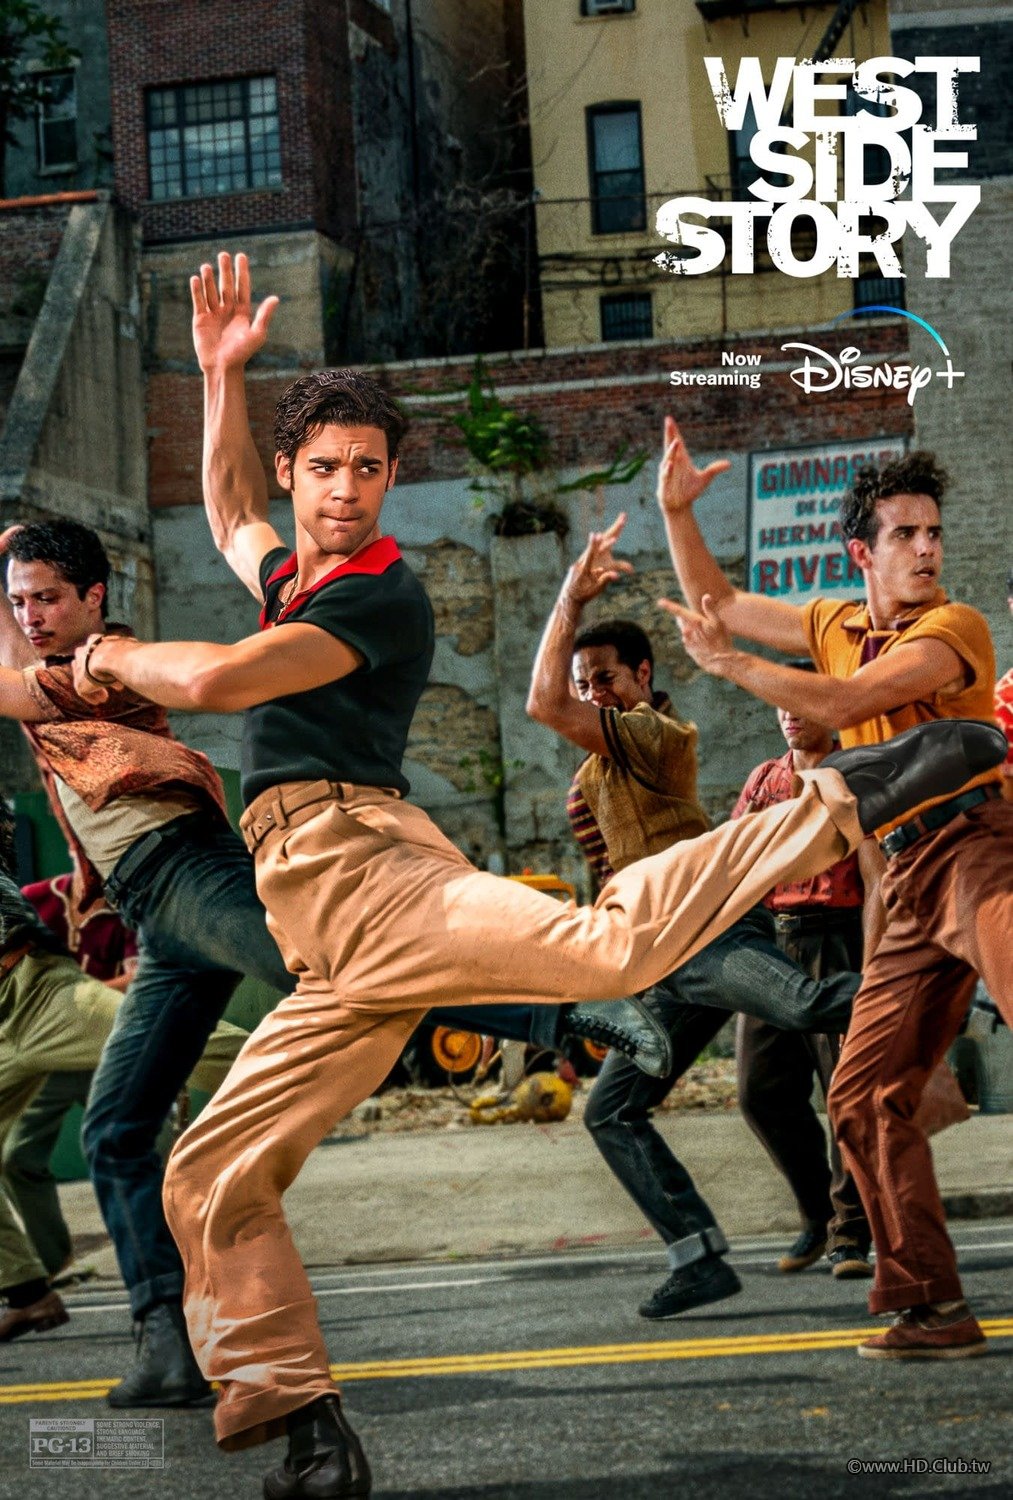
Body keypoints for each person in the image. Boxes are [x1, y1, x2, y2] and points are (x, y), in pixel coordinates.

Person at [72, 252, 1001, 1497]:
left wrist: (94, 661)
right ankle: (304, 1431)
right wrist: (220, 379)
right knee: (210, 1169)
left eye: (368, 469)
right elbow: (230, 505)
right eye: (325, 467)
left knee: (608, 947)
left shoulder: (376, 595)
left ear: (387, 481)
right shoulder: (294, 571)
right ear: (298, 472)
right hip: (321, 937)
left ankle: (846, 794)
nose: (345, 490)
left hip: (367, 874)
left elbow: (215, 682)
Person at [0, 522, 663, 1405]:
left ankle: (570, 1012)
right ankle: (167, 1346)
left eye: (48, 597)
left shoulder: (99, 665)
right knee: (115, 1131)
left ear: (94, 599)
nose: (32, 615)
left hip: (188, 875)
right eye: (19, 601)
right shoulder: (50, 666)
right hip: (158, 919)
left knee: (354, 971)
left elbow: (11, 682)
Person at [658, 422, 1012, 1359]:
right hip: (905, 878)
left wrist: (729, 665)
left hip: (980, 851)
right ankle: (931, 1306)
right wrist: (676, 512)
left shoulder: (954, 629)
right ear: (862, 552)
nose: (926, 549)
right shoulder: (831, 624)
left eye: (933, 532)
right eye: (905, 534)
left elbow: (849, 702)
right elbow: (720, 601)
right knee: (860, 1095)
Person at [526, 535, 868, 1319]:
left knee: (810, 1007)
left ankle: (950, 985)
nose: (593, 693)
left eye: (605, 678)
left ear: (643, 676)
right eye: (584, 683)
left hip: (710, 933)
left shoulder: (656, 738)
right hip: (658, 959)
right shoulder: (595, 769)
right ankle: (698, 1256)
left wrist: (570, 599)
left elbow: (542, 706)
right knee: (611, 1110)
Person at [0, 796, 246, 1342]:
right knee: (20, 1154)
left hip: (36, 995)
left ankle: (302, 1069)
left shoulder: (121, 910)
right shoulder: (49, 896)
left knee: (183, 1043)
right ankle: (28, 1293)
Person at [731, 681, 875, 1280]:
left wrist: (876, 956)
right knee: (759, 1089)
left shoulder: (854, 773)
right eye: (781, 704)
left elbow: (878, 869)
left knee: (847, 1093)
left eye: (801, 703)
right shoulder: (765, 779)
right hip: (773, 940)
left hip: (838, 939)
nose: (789, 714)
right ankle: (818, 1212)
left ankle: (851, 1233)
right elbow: (734, 856)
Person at [3, 873, 138, 1291]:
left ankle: (168, 1260)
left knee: (146, 1152)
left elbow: (139, 980)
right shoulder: (36, 899)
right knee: (16, 1157)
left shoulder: (133, 905)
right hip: (44, 1053)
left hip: (107, 1050)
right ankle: (54, 1266)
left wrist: (72, 1003)